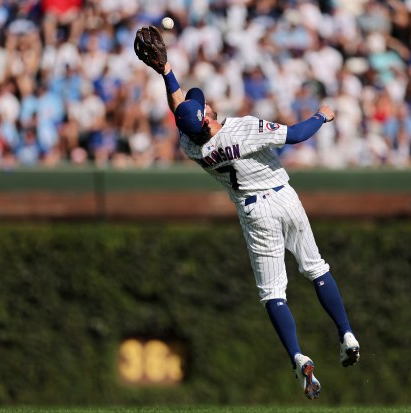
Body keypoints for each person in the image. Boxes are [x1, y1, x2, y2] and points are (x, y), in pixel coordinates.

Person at [134, 26, 360, 400]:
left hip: (254, 213)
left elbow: (181, 109)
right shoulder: (244, 129)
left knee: (274, 293)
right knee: (316, 268)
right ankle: (346, 332)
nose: (205, 103)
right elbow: (297, 135)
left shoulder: (192, 146)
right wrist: (322, 115)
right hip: (284, 198)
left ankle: (298, 356)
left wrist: (166, 71)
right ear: (206, 118)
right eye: (203, 107)